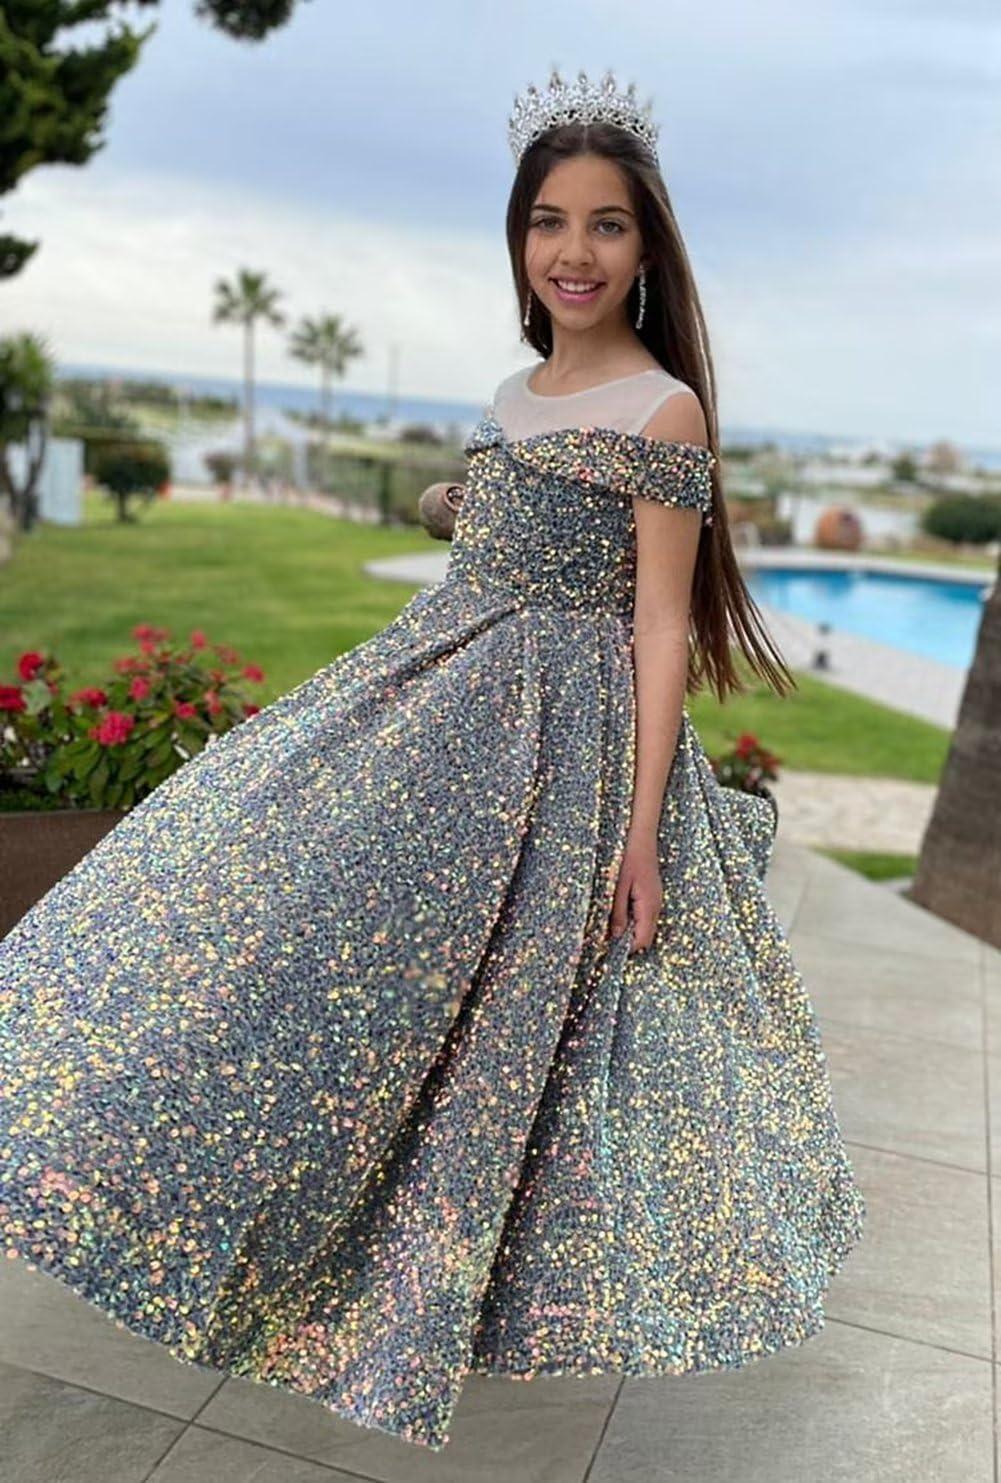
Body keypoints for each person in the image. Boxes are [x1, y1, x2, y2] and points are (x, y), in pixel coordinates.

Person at [0, 67, 865, 1453]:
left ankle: (424, 1290)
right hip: (440, 702)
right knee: (291, 929)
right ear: (518, 240)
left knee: (518, 1024)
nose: (574, 252)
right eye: (547, 221)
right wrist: (459, 497)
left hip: (564, 744)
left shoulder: (663, 412)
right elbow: (506, 522)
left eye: (606, 224)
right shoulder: (514, 392)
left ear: (648, 247)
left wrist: (640, 833)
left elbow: (657, 624)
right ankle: (226, 1203)